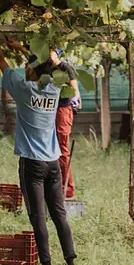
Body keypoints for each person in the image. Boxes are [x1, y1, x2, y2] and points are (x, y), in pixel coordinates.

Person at [0, 35, 76, 265]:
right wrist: (23, 48)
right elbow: (59, 68)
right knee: (58, 213)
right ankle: (70, 264)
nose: (24, 67)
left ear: (31, 71)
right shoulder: (54, 90)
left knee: (38, 216)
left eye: (28, 65)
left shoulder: (24, 90)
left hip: (32, 163)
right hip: (53, 163)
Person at [51, 49, 81, 201]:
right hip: (50, 110)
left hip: (63, 109)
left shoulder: (65, 68)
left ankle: (67, 189)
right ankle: (55, 186)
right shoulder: (44, 68)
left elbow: (74, 89)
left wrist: (76, 100)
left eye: (52, 51)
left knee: (62, 148)